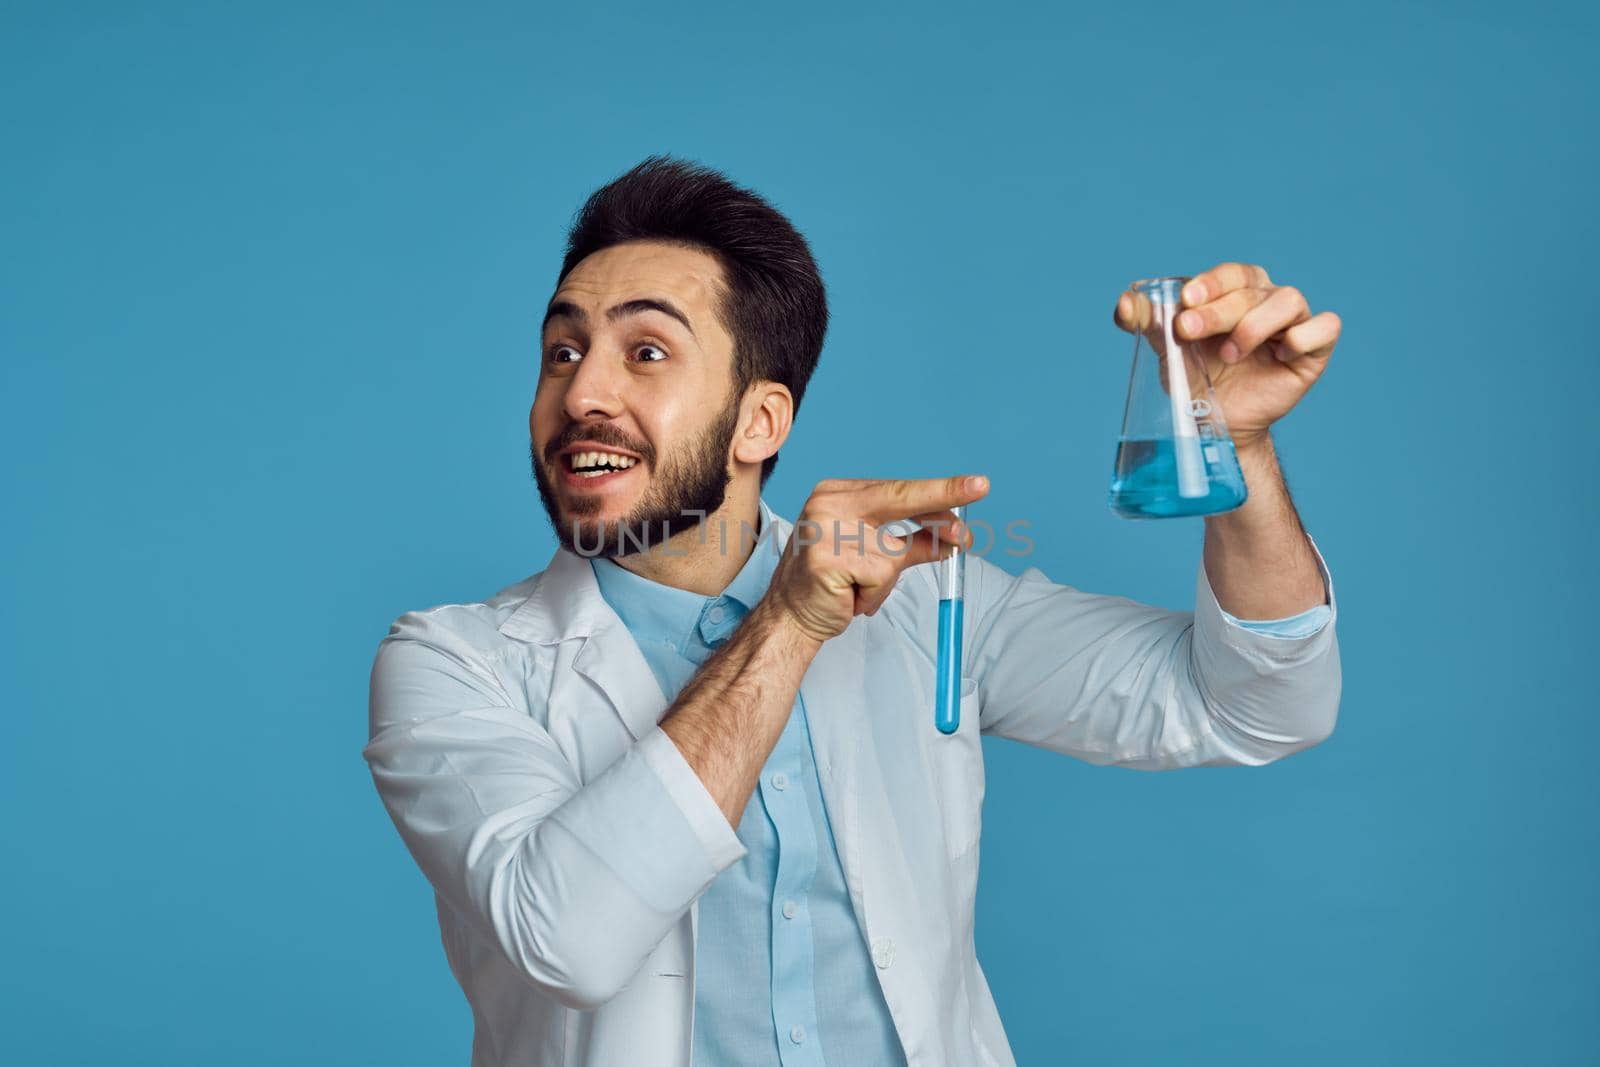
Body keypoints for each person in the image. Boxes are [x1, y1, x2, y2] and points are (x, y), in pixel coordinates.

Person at [361, 156, 1343, 1067]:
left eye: (646, 349)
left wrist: (1236, 448)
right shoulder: (455, 661)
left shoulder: (926, 606)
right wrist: (787, 623)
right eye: (561, 350)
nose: (583, 391)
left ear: (761, 421)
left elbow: (1256, 705)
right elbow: (567, 935)